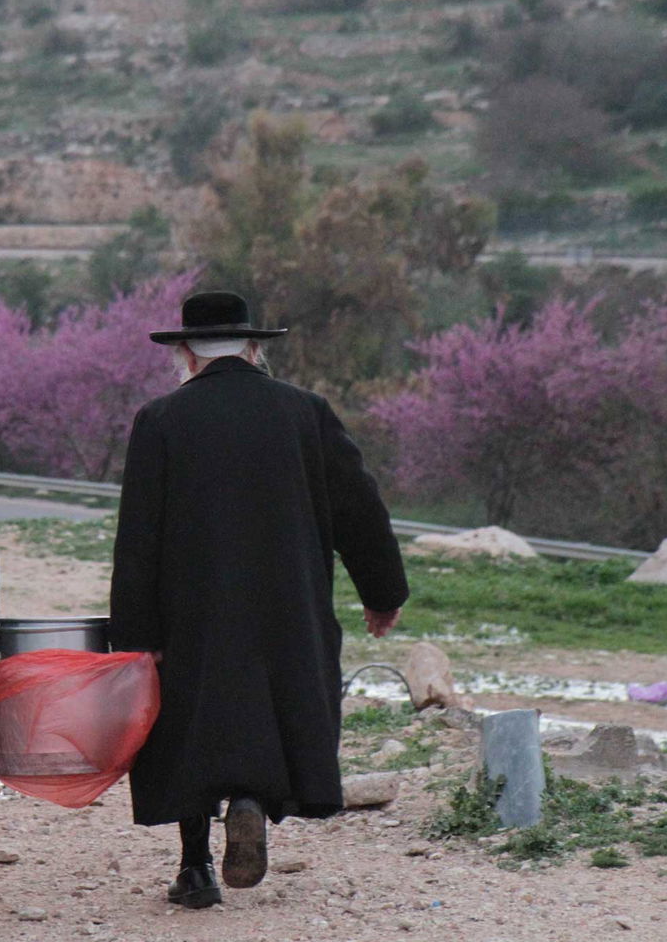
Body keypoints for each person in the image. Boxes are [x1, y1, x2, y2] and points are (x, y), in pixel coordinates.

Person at [107, 290, 409, 910]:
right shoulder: (306, 412)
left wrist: (136, 636)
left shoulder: (161, 420)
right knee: (272, 706)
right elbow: (360, 509)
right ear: (252, 347)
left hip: (190, 606)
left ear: (185, 352)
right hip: (286, 603)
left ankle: (194, 868)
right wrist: (383, 592)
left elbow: (137, 538)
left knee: (187, 721)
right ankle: (251, 803)